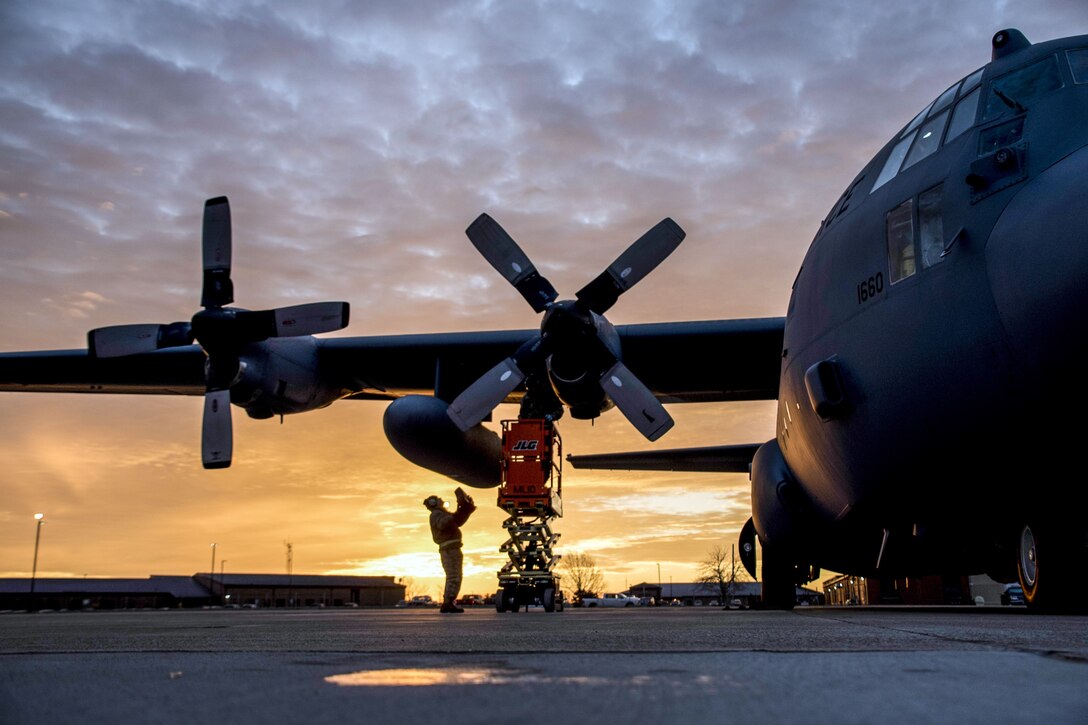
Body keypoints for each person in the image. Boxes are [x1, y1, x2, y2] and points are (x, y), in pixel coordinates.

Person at [424, 487, 476, 613]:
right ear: (434, 503)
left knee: (454, 576)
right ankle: (448, 603)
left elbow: (457, 521)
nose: (442, 500)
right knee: (454, 577)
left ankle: (449, 602)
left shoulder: (440, 513)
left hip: (451, 549)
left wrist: (464, 510)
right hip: (450, 550)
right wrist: (459, 511)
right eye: (439, 500)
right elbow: (444, 524)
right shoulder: (437, 514)